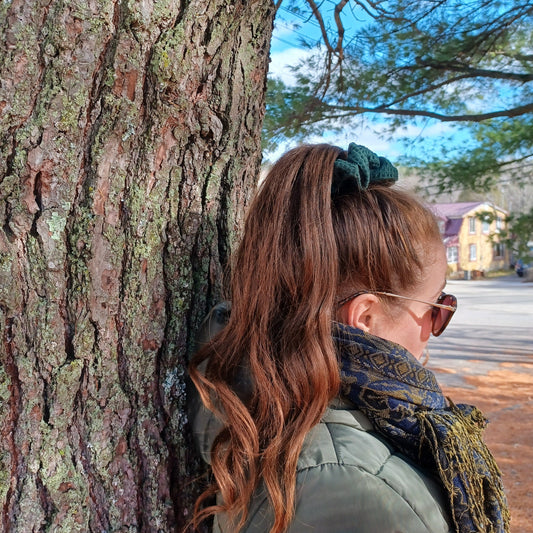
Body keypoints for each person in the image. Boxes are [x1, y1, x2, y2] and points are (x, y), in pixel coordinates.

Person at [188, 143, 510, 533]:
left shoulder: (267, 395)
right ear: (365, 317)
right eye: (436, 307)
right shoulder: (354, 487)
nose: (435, 326)